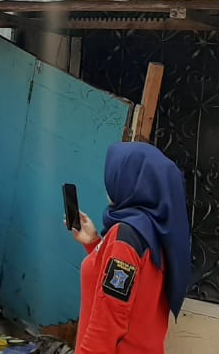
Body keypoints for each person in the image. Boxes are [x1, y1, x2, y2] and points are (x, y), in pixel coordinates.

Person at [68, 142, 191, 354]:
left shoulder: (126, 235)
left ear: (131, 180)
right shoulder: (156, 233)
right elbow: (136, 284)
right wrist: (95, 243)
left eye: (116, 172)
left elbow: (109, 319)